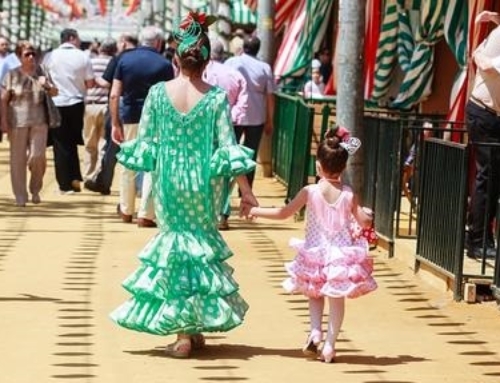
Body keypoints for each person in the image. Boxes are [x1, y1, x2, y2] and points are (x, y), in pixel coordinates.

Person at [110, 11, 258, 359]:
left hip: (169, 184)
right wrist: (246, 191)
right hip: (205, 185)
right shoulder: (217, 98)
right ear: (206, 60)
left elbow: (145, 143)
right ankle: (187, 328)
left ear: (175, 58)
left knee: (176, 251)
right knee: (198, 250)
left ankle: (185, 330)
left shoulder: (159, 95)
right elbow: (228, 148)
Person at [249, 127, 377, 363]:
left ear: (318, 165)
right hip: (340, 255)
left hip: (315, 253)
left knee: (315, 293)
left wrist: (255, 210)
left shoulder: (310, 191)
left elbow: (283, 213)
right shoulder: (349, 194)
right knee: (336, 299)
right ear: (344, 167)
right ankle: (329, 346)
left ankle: (315, 331)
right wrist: (367, 214)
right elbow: (364, 220)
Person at [110, 26, 174, 228]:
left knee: (129, 163)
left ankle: (126, 209)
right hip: (156, 119)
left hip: (129, 117)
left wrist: (114, 122)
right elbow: (170, 95)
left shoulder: (124, 60)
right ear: (158, 43)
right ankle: (146, 214)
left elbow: (114, 94)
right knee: (152, 166)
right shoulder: (165, 64)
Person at [0, 40, 57, 206]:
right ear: (19, 56)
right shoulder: (11, 75)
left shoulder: (42, 71)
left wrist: (46, 85)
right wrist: (3, 121)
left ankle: (35, 188)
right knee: (17, 159)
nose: (31, 57)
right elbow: (3, 100)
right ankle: (20, 195)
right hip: (17, 121)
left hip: (40, 121)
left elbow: (55, 92)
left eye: (33, 53)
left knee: (37, 156)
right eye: (27, 54)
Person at [83, 33, 138, 196]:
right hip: (143, 107)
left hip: (120, 107)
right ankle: (139, 187)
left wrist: (90, 79)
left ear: (123, 43)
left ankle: (103, 182)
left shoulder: (120, 59)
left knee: (111, 148)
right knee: (141, 148)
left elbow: (110, 87)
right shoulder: (150, 59)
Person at [465, 10, 500, 260]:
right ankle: (477, 240)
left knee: (491, 179)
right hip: (484, 113)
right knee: (488, 179)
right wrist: (477, 52)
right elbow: (486, 65)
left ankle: (478, 235)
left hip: (490, 115)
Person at [204, 37, 248, 230]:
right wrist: (232, 117)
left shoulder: (203, 72)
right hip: (229, 124)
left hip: (204, 127)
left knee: (207, 169)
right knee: (227, 170)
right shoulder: (234, 74)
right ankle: (222, 212)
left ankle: (211, 210)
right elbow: (242, 102)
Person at [45, 28, 95, 194]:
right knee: (73, 141)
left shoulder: (50, 56)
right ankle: (74, 178)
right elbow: (90, 83)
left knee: (60, 144)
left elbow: (46, 80)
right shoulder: (83, 56)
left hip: (56, 103)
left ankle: (64, 184)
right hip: (77, 103)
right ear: (72, 38)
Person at [225, 35, 276, 188]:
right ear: (258, 49)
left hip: (234, 115)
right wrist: (270, 120)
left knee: (229, 153)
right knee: (250, 155)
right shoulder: (264, 67)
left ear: (243, 47)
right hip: (257, 117)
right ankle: (246, 191)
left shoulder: (231, 63)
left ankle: (225, 189)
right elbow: (270, 97)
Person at [82, 38, 117, 183]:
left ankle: (88, 175)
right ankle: (98, 175)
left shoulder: (90, 61)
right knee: (104, 143)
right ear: (114, 50)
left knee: (90, 143)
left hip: (90, 105)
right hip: (106, 107)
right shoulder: (115, 63)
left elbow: (86, 81)